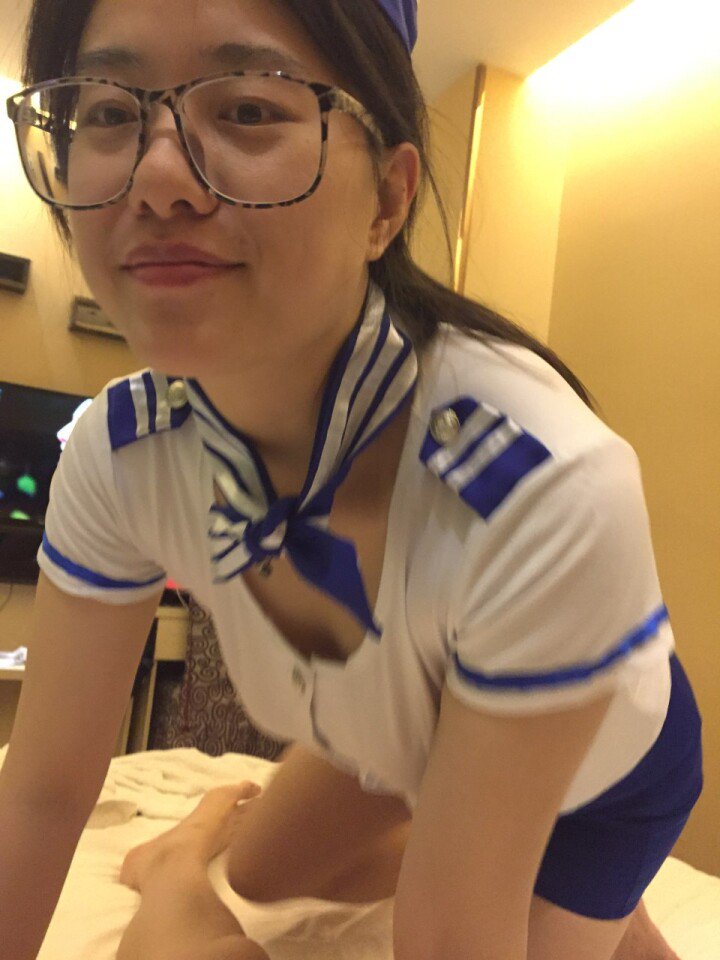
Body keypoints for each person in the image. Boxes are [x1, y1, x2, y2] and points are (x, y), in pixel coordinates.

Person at [0, 1, 703, 958]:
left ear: (386, 201)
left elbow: (450, 938)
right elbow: (42, 791)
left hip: (601, 777)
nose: (157, 178)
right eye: (108, 113)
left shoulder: (541, 486)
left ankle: (582, 894)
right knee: (256, 873)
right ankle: (210, 847)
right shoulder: (118, 451)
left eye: (248, 109)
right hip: (398, 721)